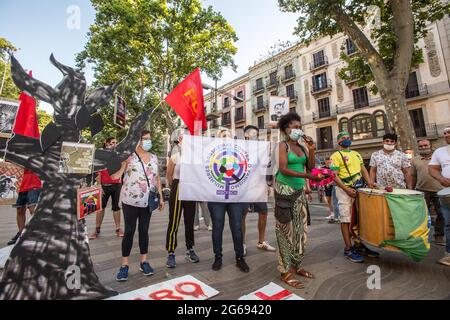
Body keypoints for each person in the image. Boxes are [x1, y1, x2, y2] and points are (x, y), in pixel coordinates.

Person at [274, 112, 323, 289]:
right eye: (295, 127)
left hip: (299, 191)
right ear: (286, 129)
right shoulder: (282, 146)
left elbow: (310, 167)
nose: (298, 130)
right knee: (284, 231)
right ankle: (284, 271)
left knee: (301, 232)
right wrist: (307, 176)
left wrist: (311, 149)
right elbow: (284, 169)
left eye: (299, 127)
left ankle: (296, 265)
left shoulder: (302, 147)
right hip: (284, 191)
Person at [113, 130, 164, 281]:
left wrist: (160, 196)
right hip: (129, 200)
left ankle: (144, 261)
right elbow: (116, 175)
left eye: (149, 139)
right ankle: (124, 265)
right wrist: (122, 163)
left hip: (147, 201)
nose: (148, 141)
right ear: (138, 140)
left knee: (144, 230)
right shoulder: (128, 157)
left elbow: (157, 179)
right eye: (145, 139)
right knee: (129, 231)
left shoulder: (154, 158)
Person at [330, 131, 377, 263]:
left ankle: (359, 244)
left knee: (358, 218)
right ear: (339, 142)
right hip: (344, 190)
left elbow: (363, 170)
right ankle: (348, 248)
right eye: (343, 138)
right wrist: (346, 189)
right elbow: (334, 175)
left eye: (348, 138)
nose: (346, 140)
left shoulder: (356, 154)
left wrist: (370, 183)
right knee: (345, 219)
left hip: (358, 189)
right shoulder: (336, 155)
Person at [208, 128, 250, 273]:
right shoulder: (211, 154)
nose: (226, 138)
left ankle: (240, 258)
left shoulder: (239, 155)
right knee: (217, 227)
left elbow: (245, 170)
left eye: (228, 136)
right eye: (223, 136)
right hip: (216, 198)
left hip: (235, 197)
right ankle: (217, 257)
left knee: (237, 228)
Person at [165, 128, 199, 268]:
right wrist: (176, 186)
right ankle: (171, 252)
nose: (186, 140)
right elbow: (169, 175)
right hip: (178, 186)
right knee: (174, 221)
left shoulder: (195, 156)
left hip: (191, 187)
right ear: (179, 139)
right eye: (183, 137)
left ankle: (190, 249)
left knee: (190, 220)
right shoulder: (175, 155)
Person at [241, 125, 276, 254]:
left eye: (255, 133)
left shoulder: (262, 149)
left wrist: (268, 184)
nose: (253, 135)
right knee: (242, 215)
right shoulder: (239, 148)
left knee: (263, 212)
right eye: (251, 133)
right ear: (245, 135)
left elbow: (267, 167)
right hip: (243, 187)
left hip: (259, 186)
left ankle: (261, 242)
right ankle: (242, 244)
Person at [411, 139, 445, 246]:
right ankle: (421, 237)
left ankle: (439, 236)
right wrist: (411, 189)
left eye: (425, 145)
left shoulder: (439, 158)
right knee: (421, 216)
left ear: (431, 146)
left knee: (442, 214)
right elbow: (413, 176)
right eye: (420, 146)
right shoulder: (414, 160)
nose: (423, 147)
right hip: (421, 191)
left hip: (440, 190)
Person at [89, 137, 124, 239]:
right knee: (100, 208)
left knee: (116, 207)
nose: (115, 144)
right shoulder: (101, 155)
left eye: (116, 143)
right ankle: (96, 230)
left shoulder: (118, 155)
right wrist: (99, 186)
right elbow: (97, 172)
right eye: (113, 143)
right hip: (104, 185)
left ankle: (118, 229)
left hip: (117, 185)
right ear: (107, 144)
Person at [429, 127, 450, 266]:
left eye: (449, 132)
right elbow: (432, 168)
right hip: (447, 192)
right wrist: (441, 178)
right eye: (445, 133)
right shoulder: (439, 151)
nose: (446, 135)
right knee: (448, 223)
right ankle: (449, 255)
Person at [7, 170, 42, 245]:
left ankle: (37, 234)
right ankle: (21, 234)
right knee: (20, 210)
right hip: (23, 186)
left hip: (35, 185)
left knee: (33, 210)